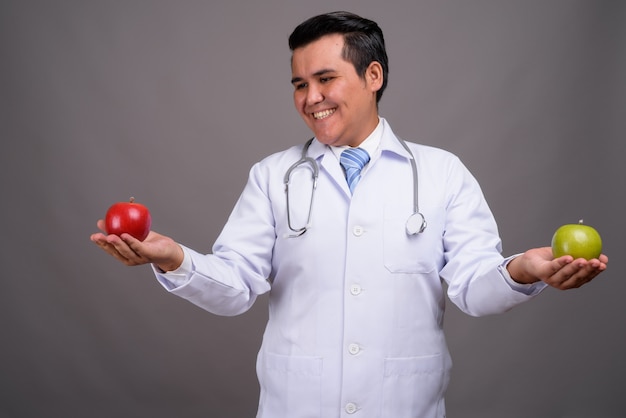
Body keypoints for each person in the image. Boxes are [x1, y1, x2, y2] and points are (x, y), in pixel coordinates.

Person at [91, 11, 608, 418]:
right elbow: (235, 288)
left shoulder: (441, 173)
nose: (310, 98)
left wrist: (524, 269)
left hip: (405, 407)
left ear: (373, 75)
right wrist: (174, 258)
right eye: (298, 84)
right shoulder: (273, 176)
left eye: (324, 79)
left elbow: (474, 287)